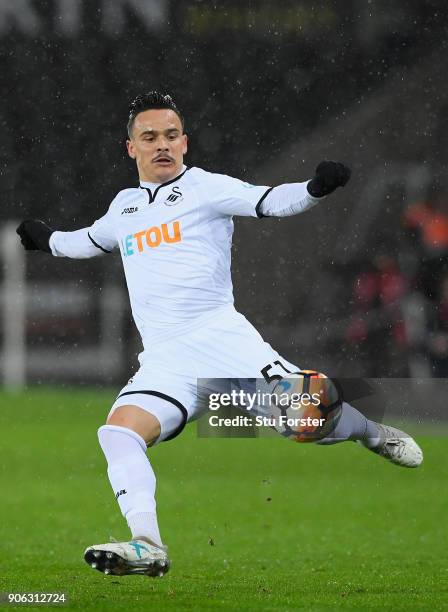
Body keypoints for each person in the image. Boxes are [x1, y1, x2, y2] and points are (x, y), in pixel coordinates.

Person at [17, 92, 423, 579]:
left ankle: (372, 433)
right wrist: (46, 241)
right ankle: (147, 544)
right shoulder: (124, 207)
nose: (162, 145)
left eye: (171, 136)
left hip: (223, 341)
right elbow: (89, 240)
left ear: (184, 142)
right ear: (131, 148)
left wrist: (314, 188)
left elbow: (267, 200)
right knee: (118, 433)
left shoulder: (206, 188)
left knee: (304, 420)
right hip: (166, 362)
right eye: (150, 137)